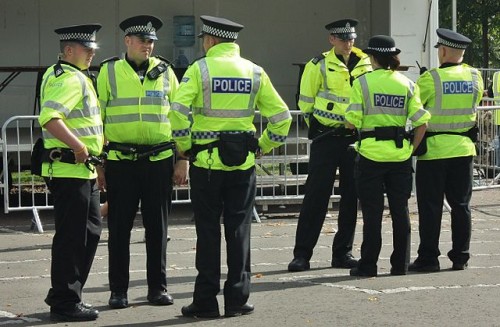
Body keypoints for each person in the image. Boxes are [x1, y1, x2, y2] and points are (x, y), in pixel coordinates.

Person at [170, 15, 292, 318]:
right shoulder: (255, 71)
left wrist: (185, 147)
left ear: (210, 40)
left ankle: (205, 302)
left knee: (208, 233)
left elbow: (177, 111)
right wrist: (262, 146)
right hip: (242, 166)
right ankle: (237, 300)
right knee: (239, 232)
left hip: (207, 166)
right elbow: (282, 118)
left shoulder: (200, 69)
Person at [96, 15, 184, 309]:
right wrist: (99, 164)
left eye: (152, 41)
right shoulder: (108, 71)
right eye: (143, 41)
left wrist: (182, 158)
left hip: (158, 160)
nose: (148, 46)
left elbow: (180, 116)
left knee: (157, 229)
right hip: (121, 161)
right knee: (119, 229)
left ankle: (157, 288)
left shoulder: (166, 71)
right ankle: (118, 291)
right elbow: (98, 122)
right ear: (128, 41)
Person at [288, 19, 372, 272]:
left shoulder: (366, 64)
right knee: (316, 197)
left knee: (350, 198)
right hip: (326, 138)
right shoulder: (319, 65)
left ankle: (342, 253)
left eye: (352, 39)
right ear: (332, 39)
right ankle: (302, 254)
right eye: (344, 39)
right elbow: (305, 102)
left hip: (354, 139)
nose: (349, 43)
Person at [344, 35, 430, 277]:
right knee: (400, 212)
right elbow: (422, 123)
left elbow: (352, 122)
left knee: (372, 214)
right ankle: (400, 265)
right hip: (399, 157)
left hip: (370, 156)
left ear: (372, 58)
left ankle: (368, 265)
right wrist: (409, 150)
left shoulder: (362, 83)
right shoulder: (407, 84)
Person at [39, 24, 104, 321]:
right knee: (73, 237)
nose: (91, 53)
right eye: (86, 49)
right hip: (70, 169)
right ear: (69, 51)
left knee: (88, 231)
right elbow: (50, 118)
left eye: (93, 49)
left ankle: (66, 294)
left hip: (82, 170)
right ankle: (65, 300)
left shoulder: (75, 76)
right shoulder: (69, 79)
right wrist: (78, 146)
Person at [409, 28, 484, 272]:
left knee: (430, 207)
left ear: (442, 51)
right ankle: (460, 257)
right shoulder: (475, 77)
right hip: (463, 150)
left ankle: (428, 258)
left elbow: (417, 108)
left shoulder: (430, 78)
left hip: (434, 151)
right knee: (461, 207)